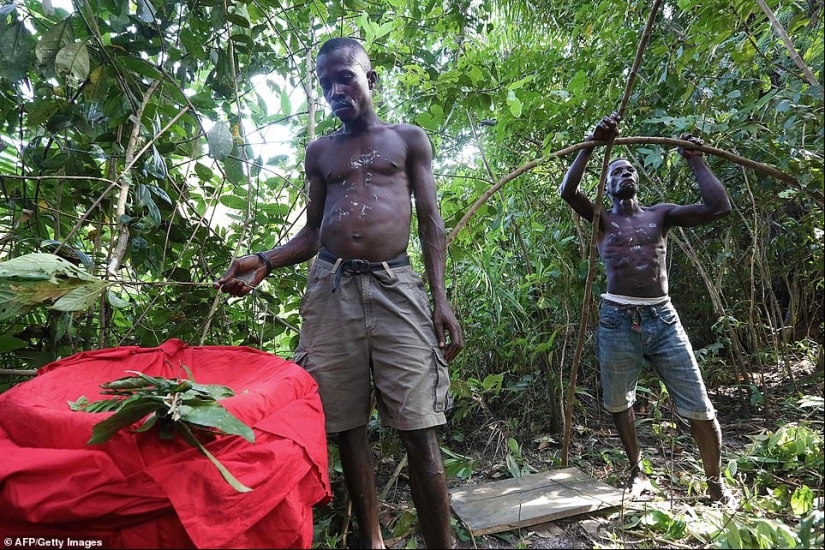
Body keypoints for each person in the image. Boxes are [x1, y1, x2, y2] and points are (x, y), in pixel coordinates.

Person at [214, 37, 464, 548]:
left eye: (345, 76)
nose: (334, 89)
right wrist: (263, 261)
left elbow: (431, 223)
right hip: (332, 289)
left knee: (418, 426)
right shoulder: (321, 151)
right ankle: (369, 539)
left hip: (397, 289)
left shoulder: (407, 140)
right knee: (346, 424)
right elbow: (312, 233)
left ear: (370, 79)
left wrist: (440, 300)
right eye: (325, 82)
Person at [559, 113, 735, 504]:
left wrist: (695, 159)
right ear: (607, 185)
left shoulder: (661, 215)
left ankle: (715, 485)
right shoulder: (602, 220)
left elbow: (718, 207)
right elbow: (568, 192)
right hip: (617, 319)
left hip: (663, 317)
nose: (626, 175)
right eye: (617, 171)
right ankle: (637, 470)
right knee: (619, 401)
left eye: (630, 170)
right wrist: (593, 141)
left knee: (700, 405)